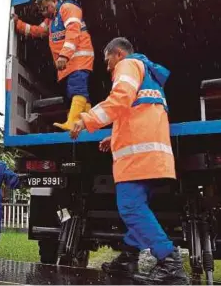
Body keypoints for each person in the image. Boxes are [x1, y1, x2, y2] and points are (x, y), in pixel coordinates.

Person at [69, 37, 188, 284]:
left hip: (137, 158)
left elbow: (120, 99)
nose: (108, 66)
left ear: (119, 54)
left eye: (108, 60)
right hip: (151, 156)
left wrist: (86, 119)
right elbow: (137, 113)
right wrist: (114, 136)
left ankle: (170, 263)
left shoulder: (127, 65)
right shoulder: (148, 74)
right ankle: (128, 258)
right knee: (137, 207)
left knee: (130, 208)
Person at [13, 0, 94, 131]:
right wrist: (18, 24)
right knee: (77, 94)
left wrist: (64, 55)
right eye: (41, 10)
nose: (44, 12)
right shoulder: (51, 19)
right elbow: (39, 31)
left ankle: (73, 122)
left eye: (45, 8)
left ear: (53, 0)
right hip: (70, 62)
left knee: (77, 90)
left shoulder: (68, 8)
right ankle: (86, 122)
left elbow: (73, 32)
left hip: (79, 59)